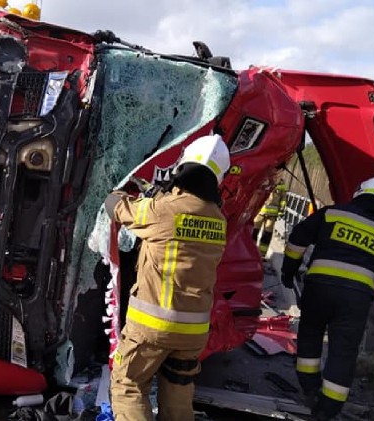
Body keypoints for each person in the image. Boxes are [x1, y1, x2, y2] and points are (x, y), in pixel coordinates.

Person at [106, 134, 230, 421]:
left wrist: (117, 192)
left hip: (153, 327)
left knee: (128, 385)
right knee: (178, 390)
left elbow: (117, 208)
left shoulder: (163, 211)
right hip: (194, 331)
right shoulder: (218, 220)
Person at [280, 176, 374, 420]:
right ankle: (327, 409)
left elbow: (298, 239)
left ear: (358, 191)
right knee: (343, 351)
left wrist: (288, 272)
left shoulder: (332, 214)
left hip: (318, 289)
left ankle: (309, 388)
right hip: (356, 299)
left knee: (310, 335)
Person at [252, 178, 287, 257]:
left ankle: (261, 254)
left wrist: (281, 210)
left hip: (272, 215)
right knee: (254, 232)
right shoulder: (264, 179)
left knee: (267, 235)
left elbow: (283, 199)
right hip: (260, 212)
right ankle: (251, 251)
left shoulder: (281, 184)